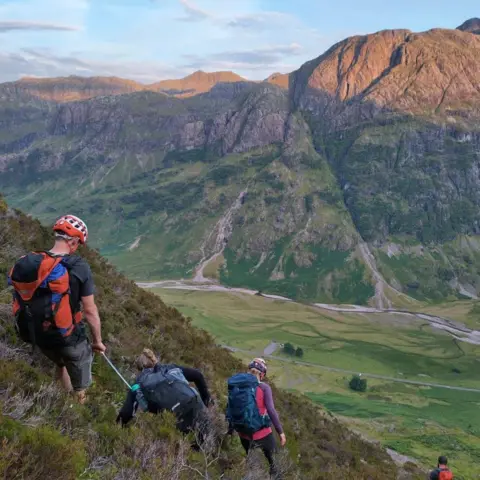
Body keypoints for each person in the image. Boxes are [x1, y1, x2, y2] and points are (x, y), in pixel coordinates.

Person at [8, 214, 106, 404]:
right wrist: (98, 342)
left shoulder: (33, 262)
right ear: (75, 241)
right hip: (68, 337)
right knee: (81, 383)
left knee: (60, 362)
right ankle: (77, 411)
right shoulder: (79, 267)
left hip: (37, 334)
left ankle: (61, 399)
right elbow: (90, 312)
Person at [117, 348, 212, 441]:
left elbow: (126, 413)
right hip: (196, 403)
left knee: (189, 445)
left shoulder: (138, 385)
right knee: (205, 440)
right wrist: (206, 401)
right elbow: (198, 375)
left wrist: (117, 426)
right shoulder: (170, 368)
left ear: (139, 368)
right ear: (154, 360)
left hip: (177, 415)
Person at [227, 358, 286, 479]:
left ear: (249, 370)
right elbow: (271, 410)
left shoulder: (237, 385)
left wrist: (230, 430)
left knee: (252, 461)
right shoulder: (264, 388)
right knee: (274, 462)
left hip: (243, 433)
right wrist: (280, 432)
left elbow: (230, 407)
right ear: (262, 374)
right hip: (262, 434)